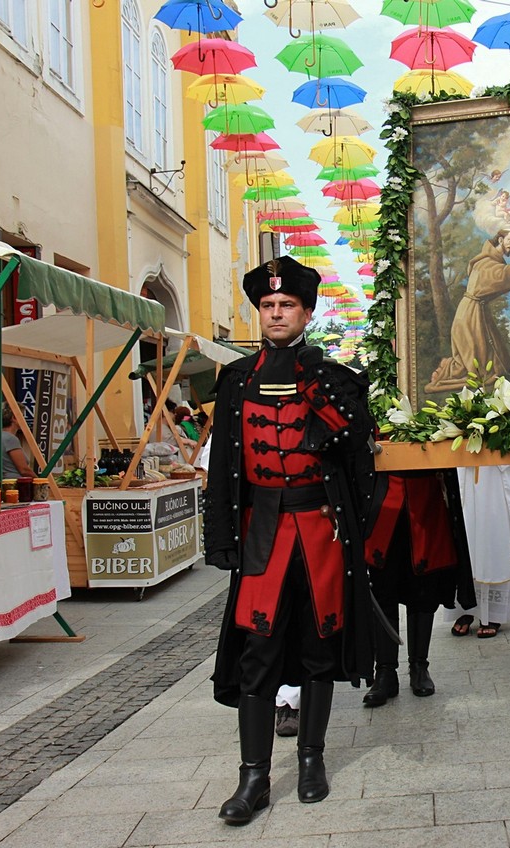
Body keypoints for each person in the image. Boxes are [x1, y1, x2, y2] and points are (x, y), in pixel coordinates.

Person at [204, 255, 376, 825]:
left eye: (287, 306)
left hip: (320, 533)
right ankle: (252, 777)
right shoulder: (235, 380)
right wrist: (220, 536)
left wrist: (357, 534)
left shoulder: (334, 377)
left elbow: (359, 460)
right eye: (268, 306)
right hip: (263, 535)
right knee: (259, 650)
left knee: (318, 648)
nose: (276, 314)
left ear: (307, 312)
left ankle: (311, 761)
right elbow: (223, 466)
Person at [362, 469, 475, 706]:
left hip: (425, 494)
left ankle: (419, 666)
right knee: (383, 588)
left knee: (424, 587)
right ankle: (385, 672)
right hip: (383, 496)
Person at [425, 229, 510, 394]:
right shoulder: (486, 264)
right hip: (470, 317)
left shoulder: (488, 261)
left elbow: (507, 273)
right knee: (481, 369)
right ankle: (446, 370)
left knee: (495, 361)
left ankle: (449, 367)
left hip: (474, 312)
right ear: (500, 239)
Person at [446, 465, 510, 638]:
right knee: (466, 530)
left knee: (493, 532)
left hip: (496, 469)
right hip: (464, 465)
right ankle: (466, 608)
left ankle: (494, 613)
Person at [0, 406, 33, 477]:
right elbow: (24, 470)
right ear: (14, 418)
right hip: (15, 482)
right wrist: (40, 481)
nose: (24, 420)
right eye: (22, 416)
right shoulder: (10, 439)